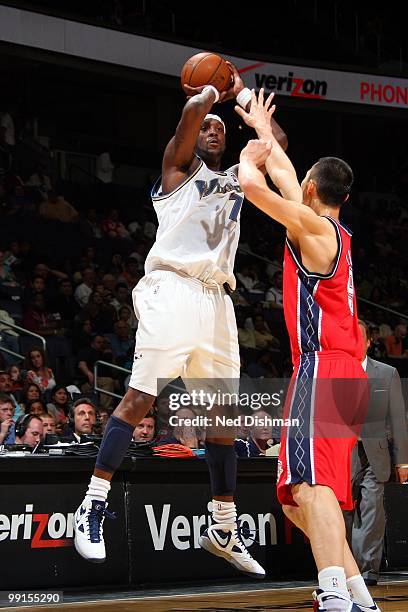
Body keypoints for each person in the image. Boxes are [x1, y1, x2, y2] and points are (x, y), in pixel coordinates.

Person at [73, 65, 287, 575]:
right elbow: (190, 114)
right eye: (207, 127)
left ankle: (223, 524)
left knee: (222, 421)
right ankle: (92, 504)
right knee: (141, 395)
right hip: (171, 288)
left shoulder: (238, 178)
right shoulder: (177, 170)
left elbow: (276, 146)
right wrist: (216, 88)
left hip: (217, 300)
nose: (213, 130)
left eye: (220, 127)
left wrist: (254, 115)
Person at [236, 90, 378, 611]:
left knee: (313, 487)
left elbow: (255, 186)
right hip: (344, 374)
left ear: (315, 189)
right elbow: (287, 177)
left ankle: (333, 595)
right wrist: (264, 131)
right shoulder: (327, 228)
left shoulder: (311, 228)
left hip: (322, 369)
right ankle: (359, 596)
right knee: (302, 494)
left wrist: (248, 157)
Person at [344, 321, 408, 586]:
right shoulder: (334, 371)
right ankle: (344, 568)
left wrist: (403, 460)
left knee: (372, 510)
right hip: (342, 452)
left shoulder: (387, 372)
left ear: (369, 342)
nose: (354, 342)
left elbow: (398, 420)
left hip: (376, 453)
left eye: (359, 337)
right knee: (342, 512)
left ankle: (366, 571)